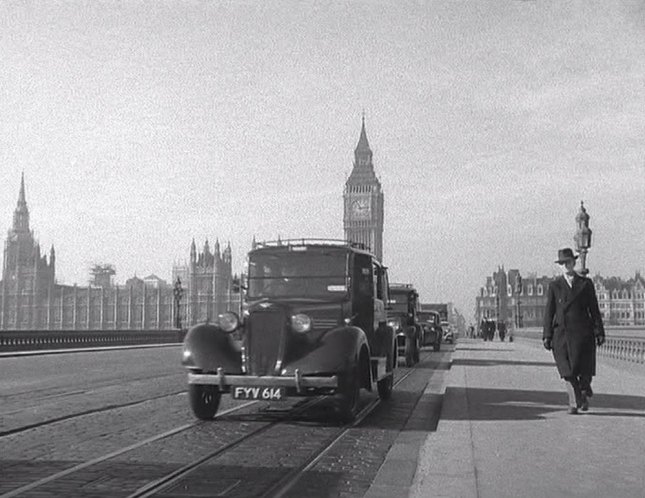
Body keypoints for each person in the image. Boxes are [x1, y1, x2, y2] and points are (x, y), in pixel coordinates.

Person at [543, 248, 605, 414]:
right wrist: (547, 335)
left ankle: (583, 391)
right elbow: (549, 311)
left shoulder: (586, 284)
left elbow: (594, 309)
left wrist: (599, 331)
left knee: (585, 370)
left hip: (583, 332)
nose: (566, 266)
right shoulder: (555, 286)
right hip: (562, 334)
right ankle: (574, 402)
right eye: (562, 263)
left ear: (574, 262)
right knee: (567, 370)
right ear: (560, 266)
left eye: (568, 262)